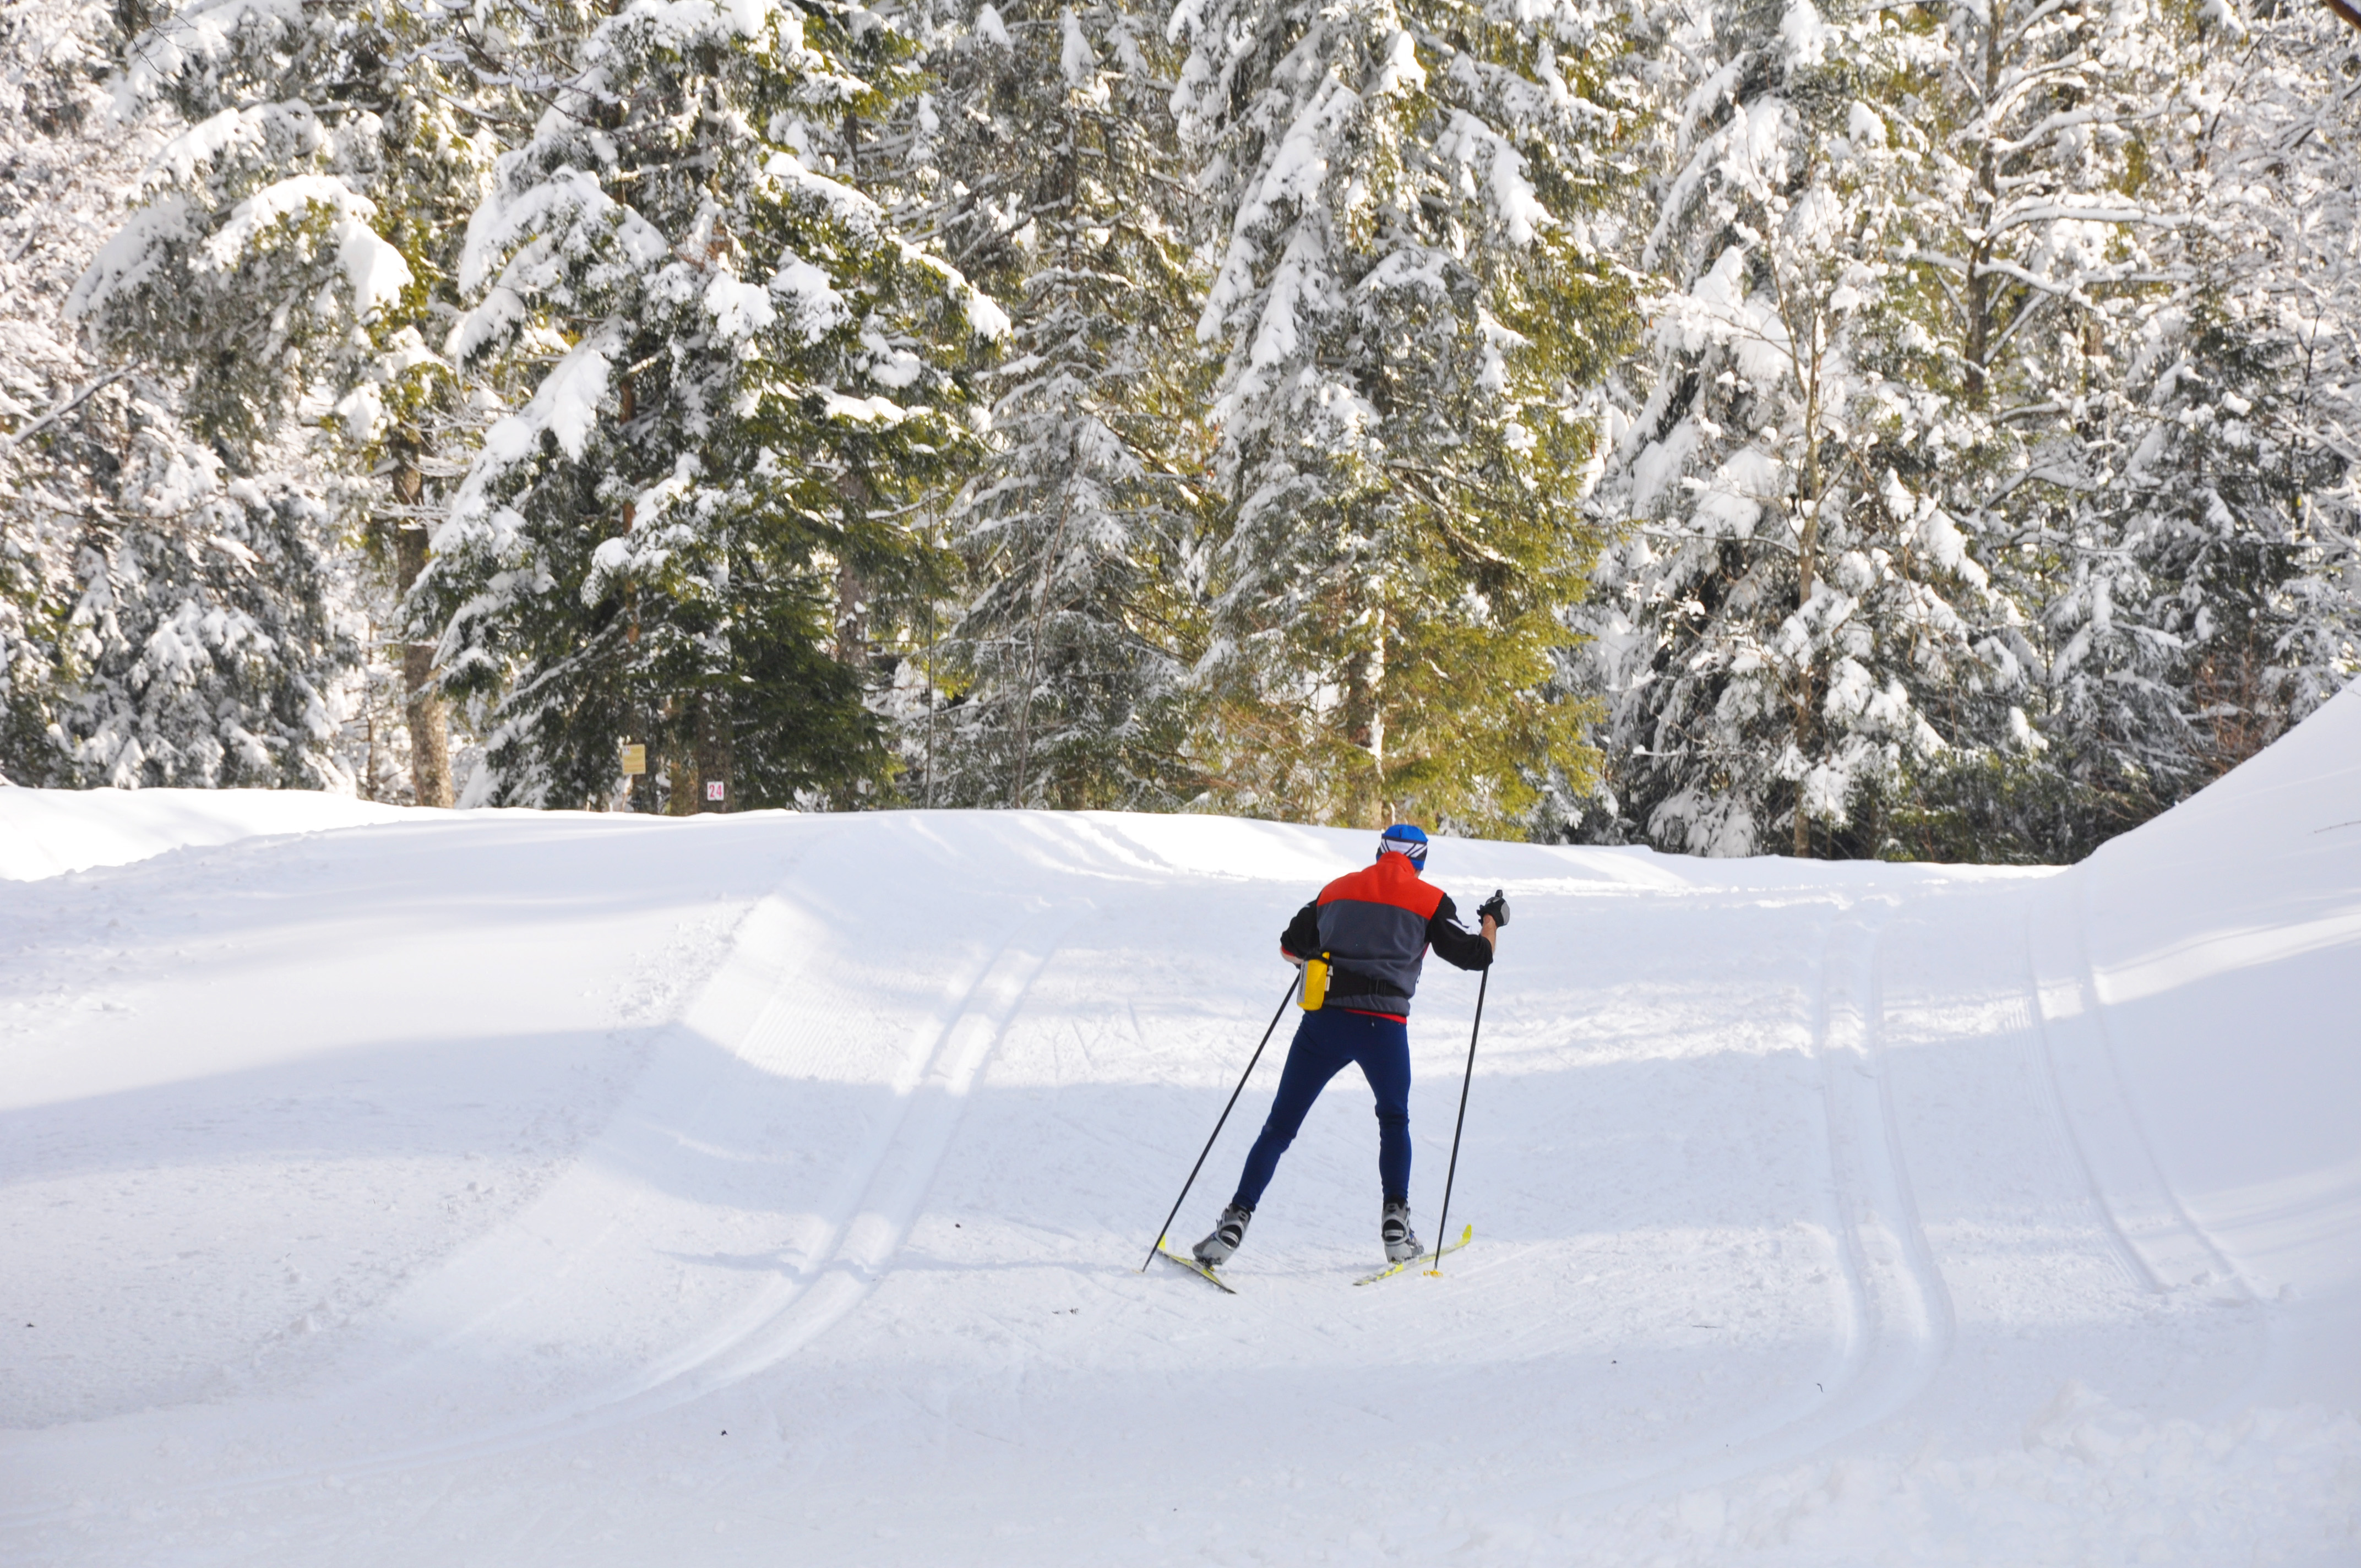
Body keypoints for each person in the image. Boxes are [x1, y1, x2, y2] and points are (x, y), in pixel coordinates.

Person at [1194, 823, 1508, 1268]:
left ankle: (1234, 1221)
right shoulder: (1430, 900)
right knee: (1394, 1120)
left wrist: (1326, 960)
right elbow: (1478, 956)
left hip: (1325, 1023)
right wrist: (1493, 919)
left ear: (1380, 852)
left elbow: (1289, 947)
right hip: (1385, 1028)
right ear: (1419, 861)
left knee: (1279, 1128)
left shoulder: (1336, 891)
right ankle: (1396, 1226)